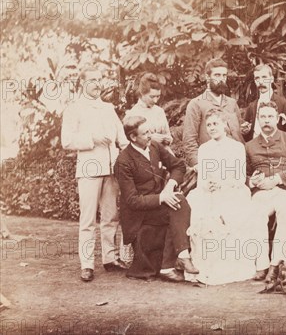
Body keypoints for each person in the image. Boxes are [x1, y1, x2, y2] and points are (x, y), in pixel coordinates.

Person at [61, 65, 129, 282]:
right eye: (92, 80)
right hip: (89, 168)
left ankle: (110, 258)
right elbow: (67, 141)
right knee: (88, 218)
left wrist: (130, 158)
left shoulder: (108, 108)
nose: (97, 84)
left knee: (111, 216)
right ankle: (87, 264)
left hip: (111, 168)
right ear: (82, 83)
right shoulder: (74, 108)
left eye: (99, 79)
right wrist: (92, 139)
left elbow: (122, 137)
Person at [114, 116, 198, 282]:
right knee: (177, 204)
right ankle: (172, 263)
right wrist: (162, 198)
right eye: (145, 133)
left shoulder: (154, 146)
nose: (150, 135)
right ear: (133, 137)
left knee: (179, 201)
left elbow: (178, 165)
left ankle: (177, 259)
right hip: (138, 215)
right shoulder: (123, 161)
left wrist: (169, 187)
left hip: (158, 205)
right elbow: (132, 201)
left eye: (150, 131)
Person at [186, 109, 261, 285]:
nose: (212, 128)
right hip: (209, 192)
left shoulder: (236, 147)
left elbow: (240, 177)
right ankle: (204, 265)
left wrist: (223, 184)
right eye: (209, 125)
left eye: (216, 124)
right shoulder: (204, 149)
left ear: (225, 125)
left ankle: (230, 266)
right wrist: (207, 185)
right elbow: (202, 178)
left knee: (230, 213)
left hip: (232, 190)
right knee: (200, 212)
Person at [246, 101, 286, 282]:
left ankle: (276, 264)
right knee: (255, 214)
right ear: (258, 119)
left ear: (278, 119)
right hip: (262, 192)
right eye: (263, 117)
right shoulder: (249, 146)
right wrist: (251, 181)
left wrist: (277, 179)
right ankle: (262, 265)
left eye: (270, 117)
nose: (267, 120)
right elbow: (243, 174)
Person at [182, 58, 251, 168]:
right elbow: (189, 139)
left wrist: (244, 129)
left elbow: (237, 132)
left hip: (236, 159)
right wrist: (197, 164)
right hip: (212, 161)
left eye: (224, 76)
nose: (221, 79)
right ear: (207, 77)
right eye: (217, 75)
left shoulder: (232, 103)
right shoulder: (196, 104)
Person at [243, 63, 286, 140]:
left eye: (264, 77)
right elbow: (247, 136)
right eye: (257, 78)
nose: (261, 81)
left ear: (271, 79)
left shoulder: (285, 104)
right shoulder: (251, 107)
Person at [125, 72, 172, 148]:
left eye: (158, 96)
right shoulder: (132, 114)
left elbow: (168, 136)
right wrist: (150, 138)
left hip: (164, 154)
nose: (155, 100)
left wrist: (167, 139)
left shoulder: (159, 111)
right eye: (152, 97)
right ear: (142, 93)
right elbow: (129, 144)